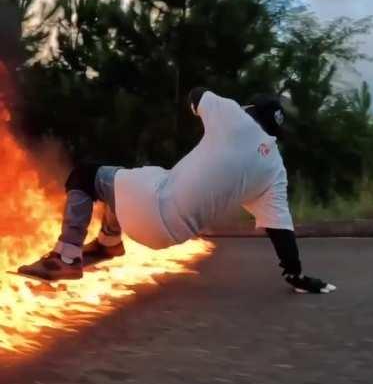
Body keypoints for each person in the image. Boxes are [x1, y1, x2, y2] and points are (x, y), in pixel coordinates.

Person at [19, 88, 336, 294]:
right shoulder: (274, 171)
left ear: (250, 109)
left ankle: (67, 257)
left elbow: (196, 95)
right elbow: (282, 232)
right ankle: (108, 244)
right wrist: (295, 275)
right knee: (127, 180)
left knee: (85, 175)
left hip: (153, 206)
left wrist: (210, 110)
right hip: (170, 236)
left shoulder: (234, 115)